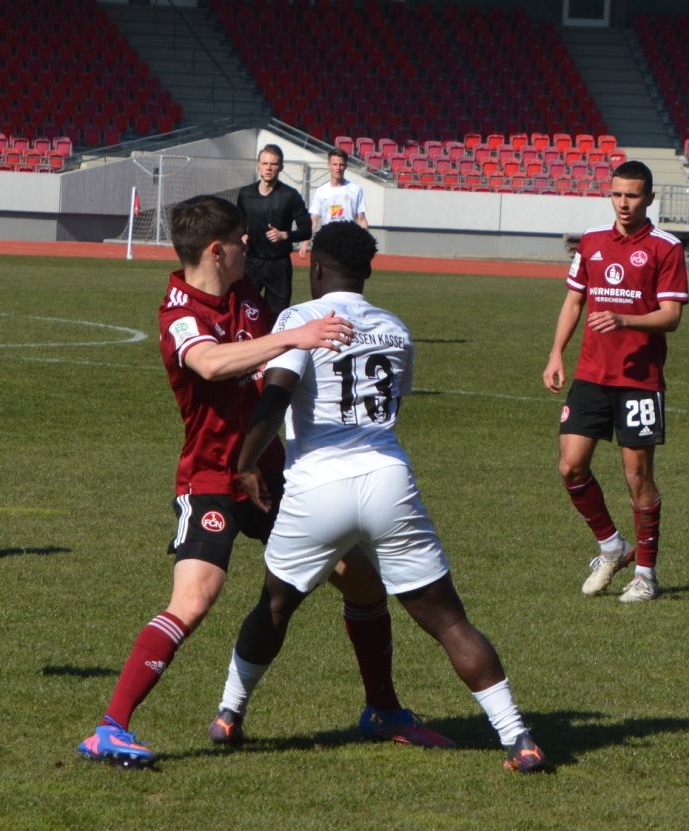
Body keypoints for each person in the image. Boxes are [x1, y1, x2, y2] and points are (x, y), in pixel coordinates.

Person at [76, 197, 451, 770]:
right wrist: (293, 338)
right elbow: (209, 363)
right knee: (195, 598)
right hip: (211, 475)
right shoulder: (179, 313)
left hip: (272, 476)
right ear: (216, 250)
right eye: (240, 239)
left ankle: (383, 709)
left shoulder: (245, 292)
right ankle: (109, 728)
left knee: (363, 586)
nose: (249, 245)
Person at [212, 221, 546, 774]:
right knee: (448, 620)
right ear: (367, 269)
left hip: (317, 482)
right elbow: (390, 405)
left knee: (276, 603)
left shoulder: (298, 318)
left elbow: (275, 397)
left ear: (317, 267)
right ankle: (519, 738)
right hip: (388, 478)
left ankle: (229, 714)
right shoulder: (395, 327)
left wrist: (246, 464)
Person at [542, 160, 688, 603]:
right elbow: (574, 300)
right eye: (617, 194)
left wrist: (625, 319)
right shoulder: (592, 241)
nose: (623, 203)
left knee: (637, 476)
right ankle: (611, 546)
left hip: (640, 380)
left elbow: (672, 316)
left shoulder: (666, 248)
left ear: (648, 199)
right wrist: (556, 353)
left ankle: (645, 574)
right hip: (591, 374)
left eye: (632, 195)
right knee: (570, 465)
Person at [236, 144, 312, 317]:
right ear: (258, 165)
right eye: (265, 163)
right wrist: (242, 234)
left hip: (278, 265)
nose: (268, 168)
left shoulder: (290, 196)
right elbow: (237, 224)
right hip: (251, 263)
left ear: (281, 167)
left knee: (277, 317)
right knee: (244, 313)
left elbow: (306, 230)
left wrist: (285, 235)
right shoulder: (245, 194)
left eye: (274, 164)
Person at [300, 148, 368, 259]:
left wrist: (365, 241)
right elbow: (314, 219)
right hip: (328, 241)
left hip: (349, 241)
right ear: (329, 166)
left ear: (346, 166)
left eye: (341, 164)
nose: (338, 168)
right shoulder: (321, 191)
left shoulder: (356, 190)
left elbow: (361, 219)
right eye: (335, 164)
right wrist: (305, 243)